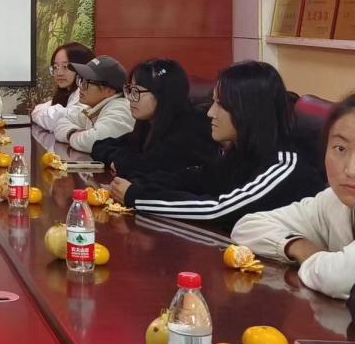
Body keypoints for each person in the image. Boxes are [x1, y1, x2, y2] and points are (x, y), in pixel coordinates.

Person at [108, 61, 324, 232]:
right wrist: (141, 184)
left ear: (247, 111)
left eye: (221, 104)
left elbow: (218, 209)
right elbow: (197, 179)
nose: (210, 113)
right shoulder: (241, 152)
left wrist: (137, 197)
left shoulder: (283, 164)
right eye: (213, 102)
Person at [232, 94, 355, 300]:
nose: (351, 170)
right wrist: (298, 246)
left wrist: (318, 262)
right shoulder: (333, 202)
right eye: (340, 149)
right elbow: (247, 227)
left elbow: (337, 279)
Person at [91, 59, 219, 179]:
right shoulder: (149, 122)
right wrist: (119, 160)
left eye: (137, 91)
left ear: (163, 95)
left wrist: (121, 161)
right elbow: (100, 146)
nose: (130, 97)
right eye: (130, 90)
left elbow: (147, 167)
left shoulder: (190, 128)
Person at [52, 56, 134, 154]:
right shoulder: (93, 108)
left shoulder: (121, 109)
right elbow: (60, 122)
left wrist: (71, 135)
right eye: (80, 80)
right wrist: (74, 133)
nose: (80, 87)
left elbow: (94, 142)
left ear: (108, 91)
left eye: (86, 83)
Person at [32, 42, 95, 131]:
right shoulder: (66, 93)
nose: (59, 73)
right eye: (55, 67)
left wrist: (53, 113)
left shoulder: (87, 92)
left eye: (65, 67)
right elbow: (37, 110)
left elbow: (55, 121)